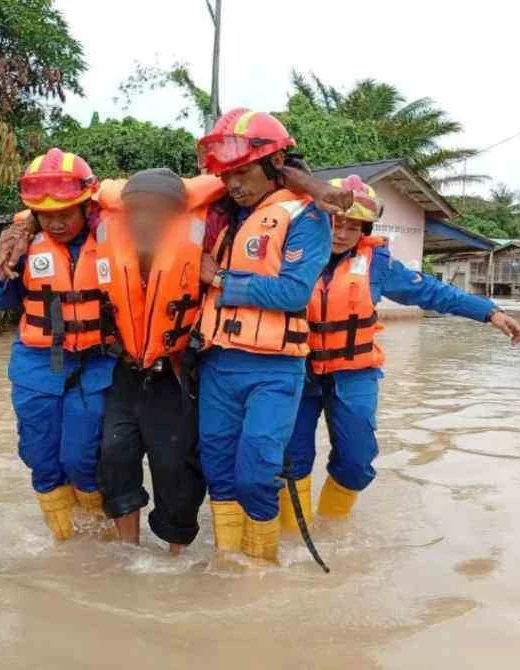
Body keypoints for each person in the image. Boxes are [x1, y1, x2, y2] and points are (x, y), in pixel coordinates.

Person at [282, 175, 520, 527]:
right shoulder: (289, 255)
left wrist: (489, 312)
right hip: (295, 372)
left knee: (357, 460)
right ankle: (293, 537)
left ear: (365, 230)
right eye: (336, 222)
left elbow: (432, 292)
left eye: (353, 227)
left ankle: (333, 531)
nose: (342, 233)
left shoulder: (376, 264)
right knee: (289, 457)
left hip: (353, 374)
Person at [194, 108, 333, 563]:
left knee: (256, 474)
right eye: (226, 175)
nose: (233, 184)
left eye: (243, 172)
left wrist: (220, 280)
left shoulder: (307, 215)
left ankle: (261, 569)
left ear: (275, 164)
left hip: (274, 368)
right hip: (218, 362)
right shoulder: (221, 215)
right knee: (219, 472)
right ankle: (227, 566)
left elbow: (293, 292)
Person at [0, 148, 116, 542]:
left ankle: (101, 539)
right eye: (46, 215)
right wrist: (6, 266)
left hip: (95, 364)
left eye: (65, 213)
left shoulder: (112, 238)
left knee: (82, 457)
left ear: (86, 206)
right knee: (40, 458)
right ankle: (66, 545)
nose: (56, 223)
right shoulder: (23, 244)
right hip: (38, 365)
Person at [92, 169, 224, 553]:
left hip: (175, 375)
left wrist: (218, 275)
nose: (146, 218)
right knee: (114, 454)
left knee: (175, 467)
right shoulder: (104, 230)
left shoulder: (208, 232)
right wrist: (23, 226)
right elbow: (56, 209)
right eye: (137, 210)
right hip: (127, 370)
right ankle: (128, 552)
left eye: (157, 210)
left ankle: (175, 558)